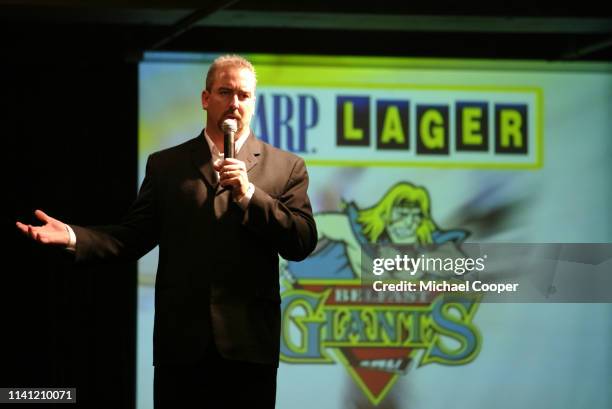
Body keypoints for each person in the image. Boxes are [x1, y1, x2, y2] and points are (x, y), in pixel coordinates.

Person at [16, 54, 318, 408]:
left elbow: (301, 240)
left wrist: (250, 195)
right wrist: (72, 235)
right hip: (182, 346)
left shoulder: (285, 167)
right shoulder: (167, 164)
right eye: (225, 92)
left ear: (253, 102)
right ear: (206, 99)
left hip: (249, 346)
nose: (234, 103)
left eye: (244, 95)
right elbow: (131, 237)